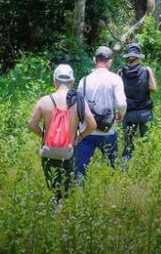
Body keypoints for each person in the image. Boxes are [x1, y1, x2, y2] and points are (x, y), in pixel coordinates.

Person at [28, 64, 96, 205]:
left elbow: (32, 125)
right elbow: (93, 125)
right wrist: (80, 136)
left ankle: (54, 211)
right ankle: (62, 216)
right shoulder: (78, 100)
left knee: (54, 188)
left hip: (48, 151)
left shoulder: (44, 101)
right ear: (71, 81)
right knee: (67, 190)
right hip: (69, 151)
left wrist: (44, 135)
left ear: (54, 80)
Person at [75, 46, 127, 183]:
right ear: (110, 61)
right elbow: (121, 103)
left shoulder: (83, 80)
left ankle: (78, 196)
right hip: (107, 131)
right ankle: (111, 193)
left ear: (94, 60)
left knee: (80, 169)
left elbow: (79, 106)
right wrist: (120, 115)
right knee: (112, 166)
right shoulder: (115, 79)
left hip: (86, 131)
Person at [117, 43, 158, 161]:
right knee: (146, 141)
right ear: (139, 56)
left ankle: (126, 164)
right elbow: (154, 88)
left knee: (128, 142)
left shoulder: (120, 72)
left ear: (127, 57)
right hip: (145, 112)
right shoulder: (146, 70)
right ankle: (147, 163)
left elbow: (117, 93)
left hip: (128, 112)